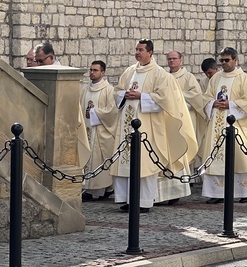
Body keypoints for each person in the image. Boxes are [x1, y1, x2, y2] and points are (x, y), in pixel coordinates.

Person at [111, 39, 198, 212]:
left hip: (147, 129)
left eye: (141, 50)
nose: (137, 52)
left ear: (150, 52)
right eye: (136, 49)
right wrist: (124, 94)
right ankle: (127, 199)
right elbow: (117, 91)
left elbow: (165, 100)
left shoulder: (160, 74)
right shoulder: (129, 72)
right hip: (127, 127)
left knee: (145, 164)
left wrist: (142, 96)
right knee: (126, 163)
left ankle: (143, 202)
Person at [200, 47, 247, 203]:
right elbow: (205, 97)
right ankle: (217, 193)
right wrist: (213, 103)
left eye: (227, 60)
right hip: (216, 124)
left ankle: (245, 191)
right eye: (222, 60)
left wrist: (231, 104)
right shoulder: (216, 78)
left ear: (235, 60)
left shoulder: (243, 78)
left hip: (236, 124)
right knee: (215, 156)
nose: (224, 63)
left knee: (241, 157)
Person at [158, 51, 207, 205]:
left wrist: (178, 98)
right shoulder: (163, 77)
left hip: (185, 118)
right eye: (169, 59)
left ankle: (182, 184)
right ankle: (166, 190)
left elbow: (197, 97)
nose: (171, 61)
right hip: (167, 120)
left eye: (174, 59)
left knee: (181, 151)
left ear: (180, 60)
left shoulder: (188, 77)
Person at [80, 60, 118, 201]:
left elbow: (112, 111)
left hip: (100, 132)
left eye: (95, 70)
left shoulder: (109, 90)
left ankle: (96, 190)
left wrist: (95, 113)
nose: (92, 72)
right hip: (86, 129)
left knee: (99, 160)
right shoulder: (84, 89)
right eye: (90, 70)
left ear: (103, 72)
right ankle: (89, 186)